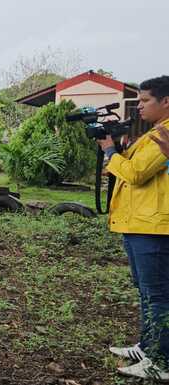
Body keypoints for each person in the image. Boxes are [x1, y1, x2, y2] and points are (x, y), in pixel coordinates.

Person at [100, 76, 169, 381]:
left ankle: (162, 360)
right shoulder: (153, 133)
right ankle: (148, 347)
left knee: (158, 295)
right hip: (140, 221)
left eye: (144, 101)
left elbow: (137, 174)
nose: (138, 106)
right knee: (146, 292)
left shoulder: (165, 134)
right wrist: (118, 150)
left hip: (153, 225)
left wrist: (110, 152)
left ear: (165, 101)